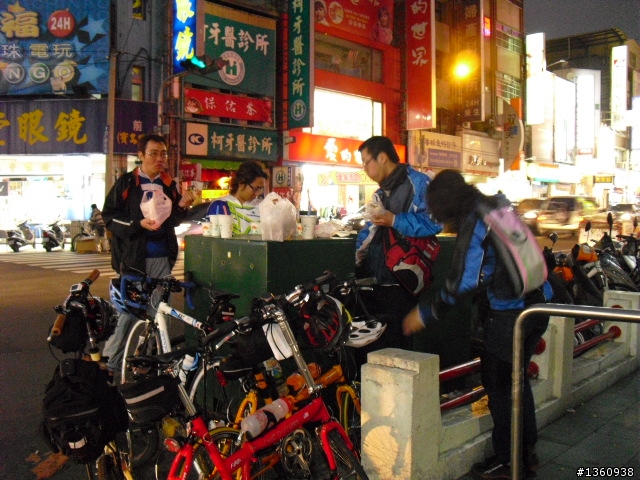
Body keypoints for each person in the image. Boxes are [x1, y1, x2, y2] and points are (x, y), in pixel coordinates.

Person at [402, 169, 553, 480]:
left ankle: (509, 461)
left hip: (511, 316)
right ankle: (526, 454)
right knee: (517, 384)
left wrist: (425, 313)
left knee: (500, 388)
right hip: (538, 303)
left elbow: (463, 280)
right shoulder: (496, 206)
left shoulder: (475, 221)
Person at [101, 133, 196, 378]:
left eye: (163, 153)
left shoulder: (169, 184)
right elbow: (109, 217)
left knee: (158, 314)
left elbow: (173, 221)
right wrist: (138, 224)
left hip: (162, 259)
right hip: (133, 260)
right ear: (141, 155)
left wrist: (182, 206)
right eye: (153, 153)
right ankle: (110, 364)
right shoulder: (126, 183)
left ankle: (148, 362)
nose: (160, 158)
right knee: (126, 314)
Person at [355, 136, 442, 357]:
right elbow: (369, 232)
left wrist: (394, 220)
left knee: (398, 351)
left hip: (404, 283)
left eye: (366, 161)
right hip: (376, 282)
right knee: (376, 350)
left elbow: (435, 222)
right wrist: (358, 256)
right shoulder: (379, 193)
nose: (364, 168)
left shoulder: (419, 183)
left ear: (382, 157)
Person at [209, 160, 269, 236]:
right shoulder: (219, 205)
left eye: (261, 189)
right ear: (241, 183)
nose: (257, 194)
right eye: (255, 189)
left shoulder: (264, 206)